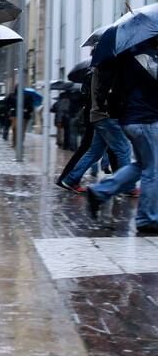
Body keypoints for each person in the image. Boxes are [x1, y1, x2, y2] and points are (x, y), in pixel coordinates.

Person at [86, 38, 158, 234]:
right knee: (153, 169)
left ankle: (99, 192)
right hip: (145, 119)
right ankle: (147, 219)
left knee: (142, 164)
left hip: (133, 119)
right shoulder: (143, 55)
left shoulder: (129, 53)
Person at [56, 66, 134, 194]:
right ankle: (128, 186)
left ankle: (71, 179)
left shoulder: (97, 69)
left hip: (98, 115)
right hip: (108, 115)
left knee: (94, 151)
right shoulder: (109, 69)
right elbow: (113, 94)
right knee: (124, 149)